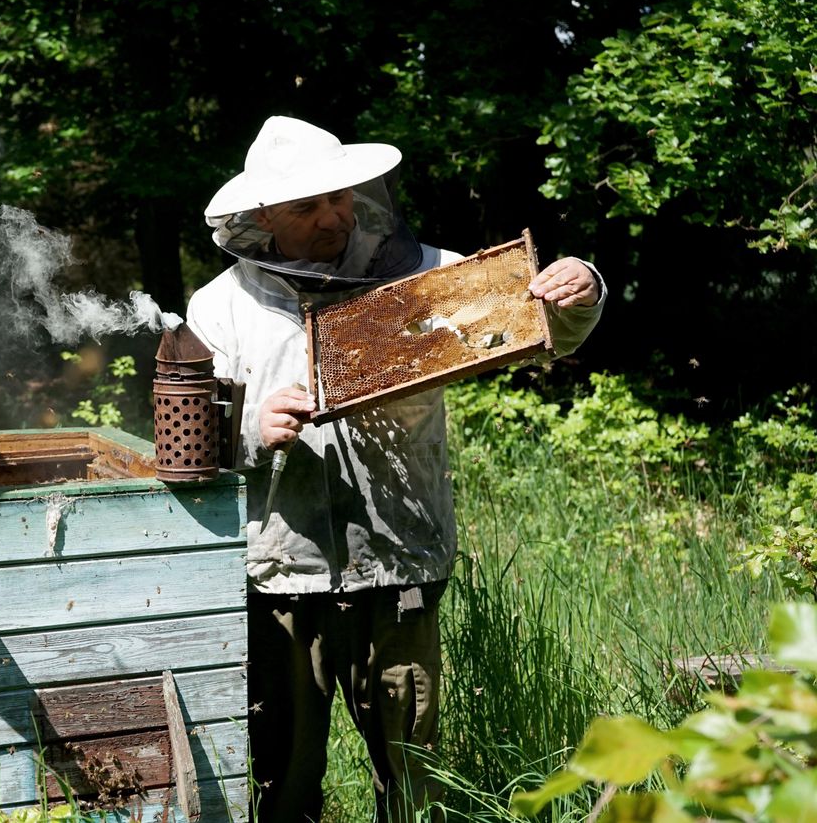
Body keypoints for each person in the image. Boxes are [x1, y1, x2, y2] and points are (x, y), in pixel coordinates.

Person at [185, 116, 605, 822]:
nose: (332, 217)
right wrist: (251, 431)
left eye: (341, 198)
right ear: (263, 217)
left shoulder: (423, 275)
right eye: (306, 207)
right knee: (282, 780)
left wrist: (582, 290)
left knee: (412, 777)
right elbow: (189, 446)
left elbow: (531, 328)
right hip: (283, 575)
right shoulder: (220, 306)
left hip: (400, 565)